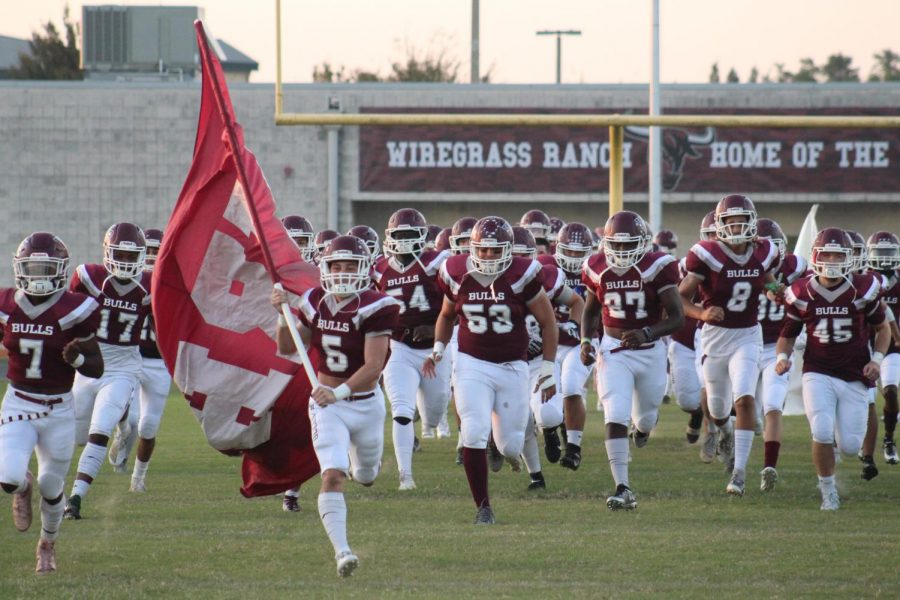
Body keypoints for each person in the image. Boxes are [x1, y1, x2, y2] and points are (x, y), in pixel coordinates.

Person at [272, 235, 400, 576]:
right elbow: (288, 347)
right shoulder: (314, 301)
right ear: (324, 268)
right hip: (326, 404)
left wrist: (339, 392)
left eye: (350, 266)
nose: (343, 272)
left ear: (364, 268)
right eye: (336, 265)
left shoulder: (377, 305)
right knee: (332, 475)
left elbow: (374, 366)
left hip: (364, 403)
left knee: (366, 475)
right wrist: (282, 313)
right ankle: (342, 552)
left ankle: (364, 471)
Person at [425, 216, 558, 524]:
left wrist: (548, 367)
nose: (487, 256)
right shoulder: (455, 272)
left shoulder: (523, 274)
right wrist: (439, 349)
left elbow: (548, 322)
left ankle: (504, 448)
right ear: (472, 248)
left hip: (513, 366)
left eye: (494, 250)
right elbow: (446, 315)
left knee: (511, 445)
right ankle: (483, 507)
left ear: (508, 251)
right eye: (481, 250)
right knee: (472, 430)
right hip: (472, 363)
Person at [0, 233, 103, 572]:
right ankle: (22, 487)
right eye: (33, 268)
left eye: (46, 269)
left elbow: (96, 366)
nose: (39, 276)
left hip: (59, 408)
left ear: (60, 271)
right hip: (18, 402)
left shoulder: (75, 308)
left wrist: (75, 360)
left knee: (51, 485)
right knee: (10, 477)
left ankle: (47, 544)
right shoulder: (7, 303)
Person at [776, 228, 889, 510]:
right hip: (818, 371)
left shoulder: (863, 288)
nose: (832, 260)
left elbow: (883, 327)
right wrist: (782, 356)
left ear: (849, 258)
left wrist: (876, 359)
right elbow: (788, 332)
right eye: (826, 254)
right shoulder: (802, 292)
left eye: (838, 255)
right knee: (822, 430)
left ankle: (841, 459)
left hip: (856, 375)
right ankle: (828, 490)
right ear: (815, 255)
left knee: (850, 446)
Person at [679, 195, 783, 496]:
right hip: (715, 336)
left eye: (742, 220)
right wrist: (701, 312)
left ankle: (739, 473)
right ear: (719, 224)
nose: (736, 227)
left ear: (752, 222)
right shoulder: (706, 254)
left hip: (748, 335)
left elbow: (768, 280)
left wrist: (776, 291)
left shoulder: (764, 250)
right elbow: (678, 297)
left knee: (745, 398)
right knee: (718, 408)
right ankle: (724, 432)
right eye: (730, 221)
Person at [581, 211, 684, 510]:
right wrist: (587, 341)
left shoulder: (658, 267)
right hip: (614, 351)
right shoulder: (597, 267)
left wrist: (648, 332)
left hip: (649, 352)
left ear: (643, 243)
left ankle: (642, 429)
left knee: (646, 418)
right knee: (614, 414)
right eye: (617, 245)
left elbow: (677, 318)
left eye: (629, 246)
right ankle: (622, 486)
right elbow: (589, 312)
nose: (622, 252)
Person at [65, 223, 152, 519]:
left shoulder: (151, 286)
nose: (126, 263)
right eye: (121, 255)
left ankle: (75, 499)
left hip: (123, 370)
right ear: (108, 252)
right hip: (89, 368)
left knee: (98, 431)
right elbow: (68, 313)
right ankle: (125, 423)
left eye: (132, 256)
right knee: (75, 437)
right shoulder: (87, 277)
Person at [372, 209, 450, 490]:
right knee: (401, 409)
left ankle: (424, 417)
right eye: (399, 235)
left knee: (433, 412)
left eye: (409, 234)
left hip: (435, 348)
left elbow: (455, 303)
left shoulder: (437, 263)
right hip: (399, 346)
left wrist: (436, 328)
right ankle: (405, 476)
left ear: (422, 236)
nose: (404, 241)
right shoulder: (379, 268)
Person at [108, 228, 172, 497]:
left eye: (157, 251)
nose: (151, 257)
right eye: (148, 251)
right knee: (131, 419)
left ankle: (138, 478)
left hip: (159, 363)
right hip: (133, 356)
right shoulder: (124, 283)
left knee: (148, 426)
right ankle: (121, 433)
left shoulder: (167, 283)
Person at [755, 218, 807, 492]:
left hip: (778, 345)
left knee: (773, 405)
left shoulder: (797, 268)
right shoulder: (745, 266)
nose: (771, 257)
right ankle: (729, 445)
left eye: (776, 250)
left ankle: (769, 466)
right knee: (735, 407)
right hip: (746, 343)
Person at [552, 222, 594, 469]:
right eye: (570, 251)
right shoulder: (546, 268)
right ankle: (554, 430)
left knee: (570, 387)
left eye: (580, 252)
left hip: (582, 341)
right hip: (550, 342)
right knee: (550, 398)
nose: (574, 257)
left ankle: (574, 448)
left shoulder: (596, 270)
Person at [865, 231, 900, 465]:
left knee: (890, 391)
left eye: (889, 253)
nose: (885, 259)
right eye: (880, 253)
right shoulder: (863, 280)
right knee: (863, 401)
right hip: (862, 345)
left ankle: (888, 439)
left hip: (892, 345)